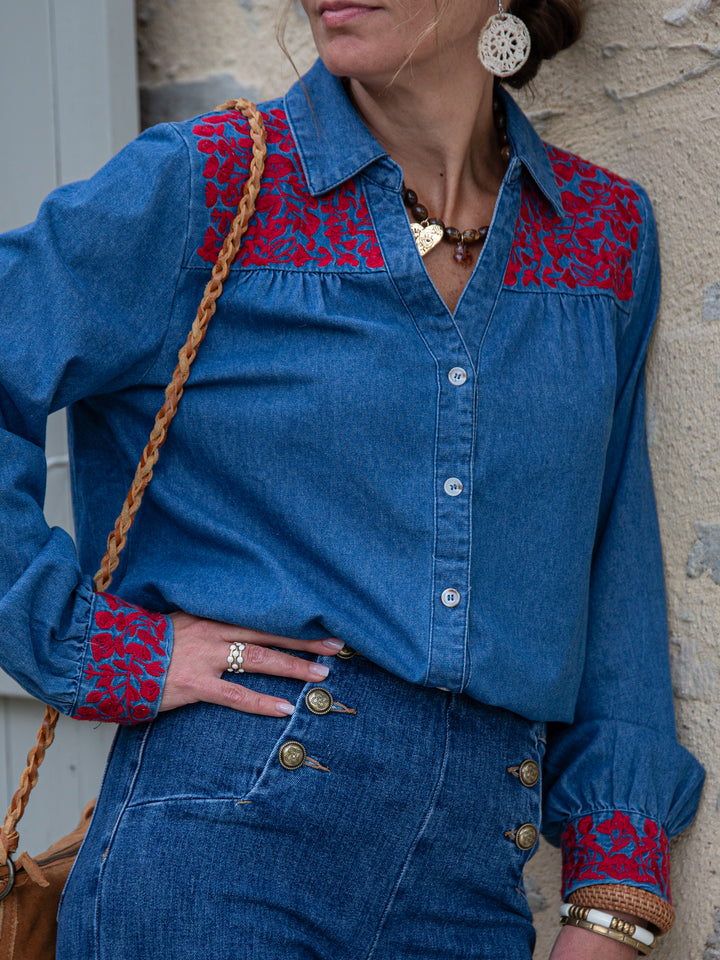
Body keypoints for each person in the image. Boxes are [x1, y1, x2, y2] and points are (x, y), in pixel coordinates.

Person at [0, 1, 705, 957]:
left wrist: (612, 907)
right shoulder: (209, 184)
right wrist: (96, 645)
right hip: (215, 869)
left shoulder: (600, 237)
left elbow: (612, 575)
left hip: (472, 886)